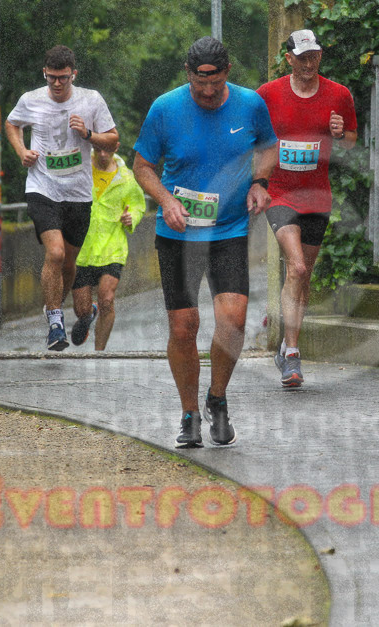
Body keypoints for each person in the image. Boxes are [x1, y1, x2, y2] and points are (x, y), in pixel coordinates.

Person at [132, 36, 278, 448]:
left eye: (215, 84)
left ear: (227, 72)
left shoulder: (250, 105)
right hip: (177, 234)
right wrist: (165, 200)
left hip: (228, 230)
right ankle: (189, 415)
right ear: (189, 75)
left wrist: (259, 183)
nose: (209, 92)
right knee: (185, 326)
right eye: (200, 86)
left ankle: (217, 399)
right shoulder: (165, 108)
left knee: (232, 320)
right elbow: (143, 166)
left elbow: (269, 147)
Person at [257, 29, 357, 387]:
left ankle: (286, 342)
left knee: (302, 276)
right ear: (288, 59)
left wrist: (339, 132)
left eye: (313, 56)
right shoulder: (267, 95)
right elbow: (253, 138)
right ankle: (294, 357)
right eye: (301, 57)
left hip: (317, 197)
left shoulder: (338, 94)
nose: (308, 64)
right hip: (280, 195)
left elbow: (349, 143)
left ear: (320, 57)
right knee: (296, 266)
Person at [5, 45, 119, 351]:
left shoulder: (91, 100)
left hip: (79, 193)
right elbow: (12, 124)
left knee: (69, 264)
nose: (57, 84)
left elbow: (113, 139)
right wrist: (22, 152)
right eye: (52, 77)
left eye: (64, 78)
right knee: (54, 254)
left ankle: (58, 306)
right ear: (45, 73)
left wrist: (88, 136)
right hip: (43, 187)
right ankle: (55, 323)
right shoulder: (31, 100)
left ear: (74, 75)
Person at [68, 143, 147, 350]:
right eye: (99, 149)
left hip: (113, 248)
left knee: (107, 299)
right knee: (81, 310)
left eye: (108, 150)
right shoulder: (81, 169)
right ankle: (89, 313)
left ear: (116, 148)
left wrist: (133, 217)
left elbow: (138, 204)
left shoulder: (126, 178)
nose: (103, 154)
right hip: (81, 251)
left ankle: (99, 352)